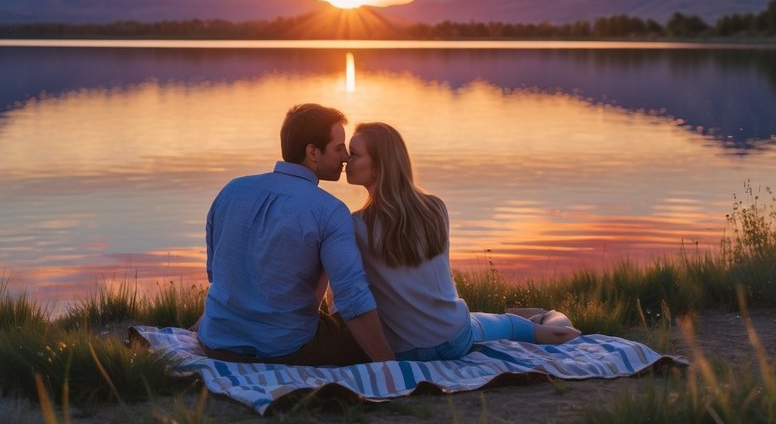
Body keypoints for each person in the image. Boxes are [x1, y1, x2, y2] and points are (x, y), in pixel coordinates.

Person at [345, 121, 580, 361]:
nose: (345, 159)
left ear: (378, 167)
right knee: (522, 325)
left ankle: (539, 319)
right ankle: (551, 321)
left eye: (354, 154)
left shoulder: (355, 225)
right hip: (455, 339)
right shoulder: (435, 209)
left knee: (503, 322)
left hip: (407, 351)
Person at [196, 104, 395, 366]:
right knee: (365, 333)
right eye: (338, 148)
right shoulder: (330, 211)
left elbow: (216, 274)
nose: (346, 156)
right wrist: (389, 364)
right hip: (286, 350)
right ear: (312, 152)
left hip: (217, 343)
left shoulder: (232, 190)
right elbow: (352, 299)